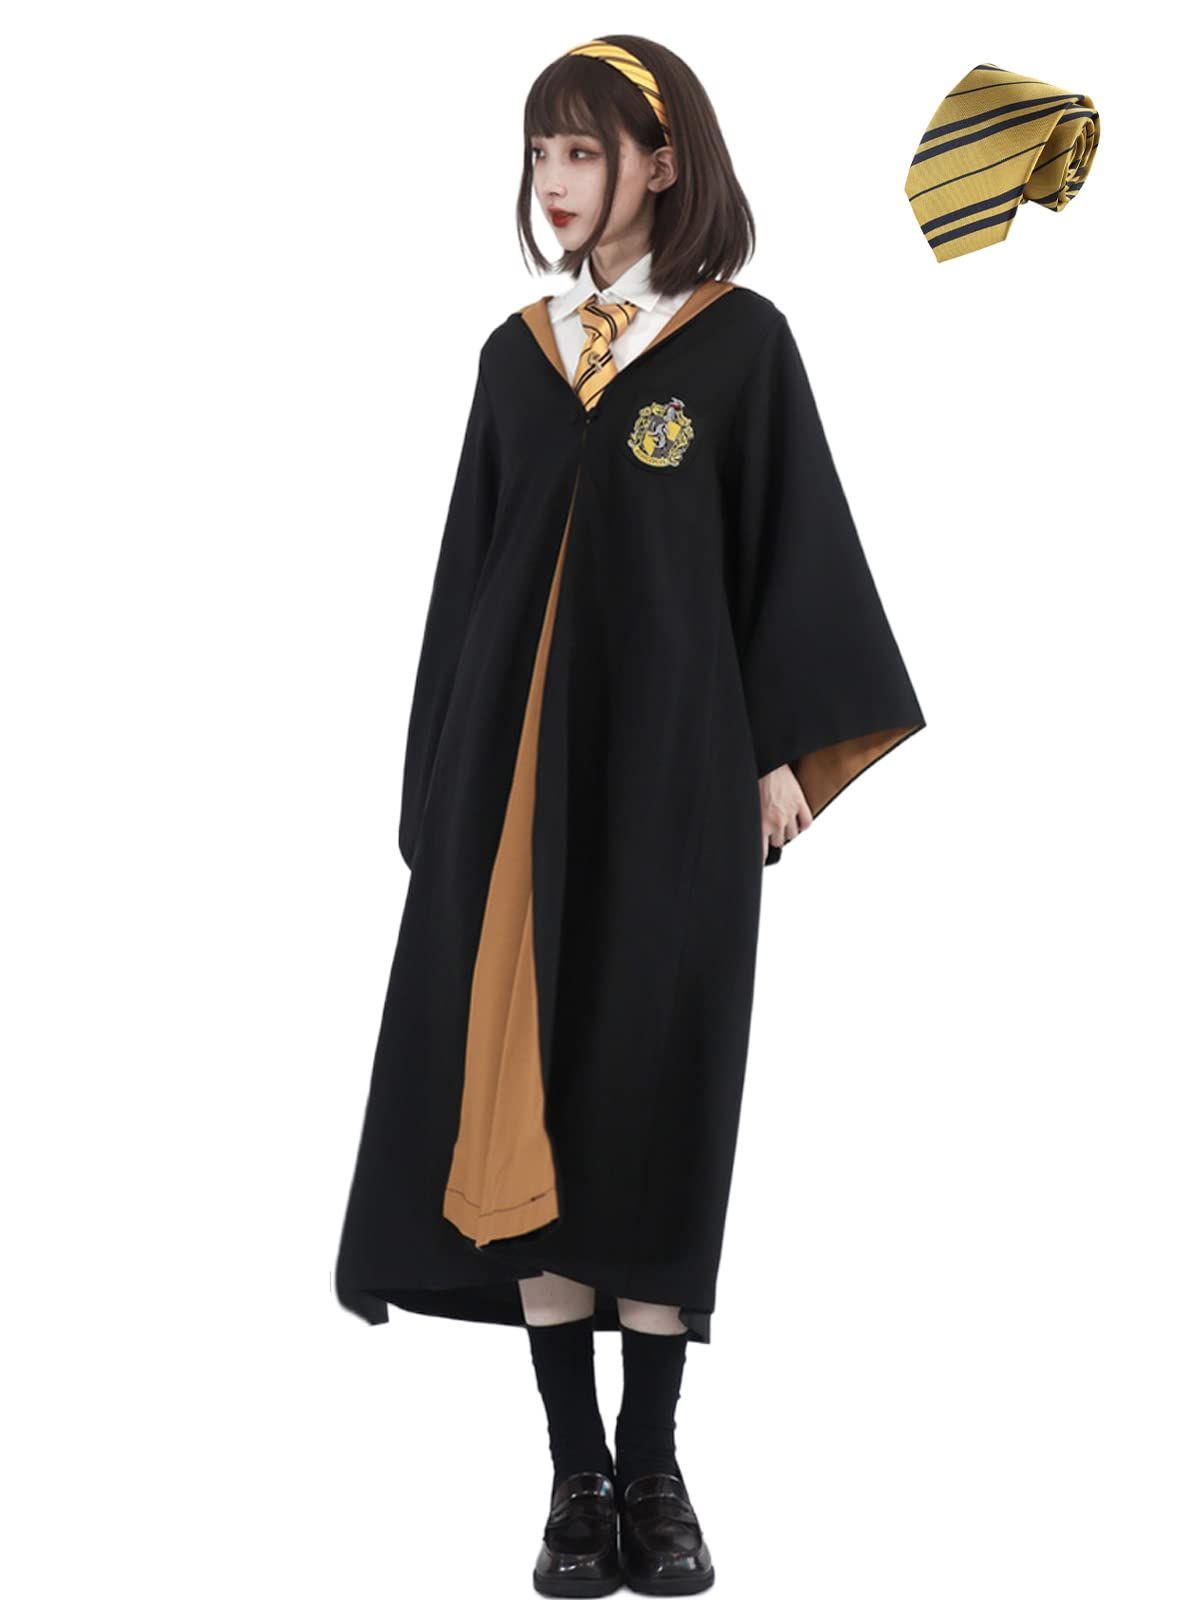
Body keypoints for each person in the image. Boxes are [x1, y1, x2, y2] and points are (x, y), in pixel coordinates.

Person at [334, 35, 926, 1596]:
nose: (555, 179)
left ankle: (657, 1469)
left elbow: (795, 553)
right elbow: (467, 583)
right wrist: (437, 793)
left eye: (584, 151)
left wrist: (785, 756)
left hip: (676, 788)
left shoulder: (739, 350)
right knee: (522, 1089)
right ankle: (574, 1479)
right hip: (513, 792)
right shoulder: (517, 358)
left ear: (661, 164)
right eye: (541, 152)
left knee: (658, 1093)